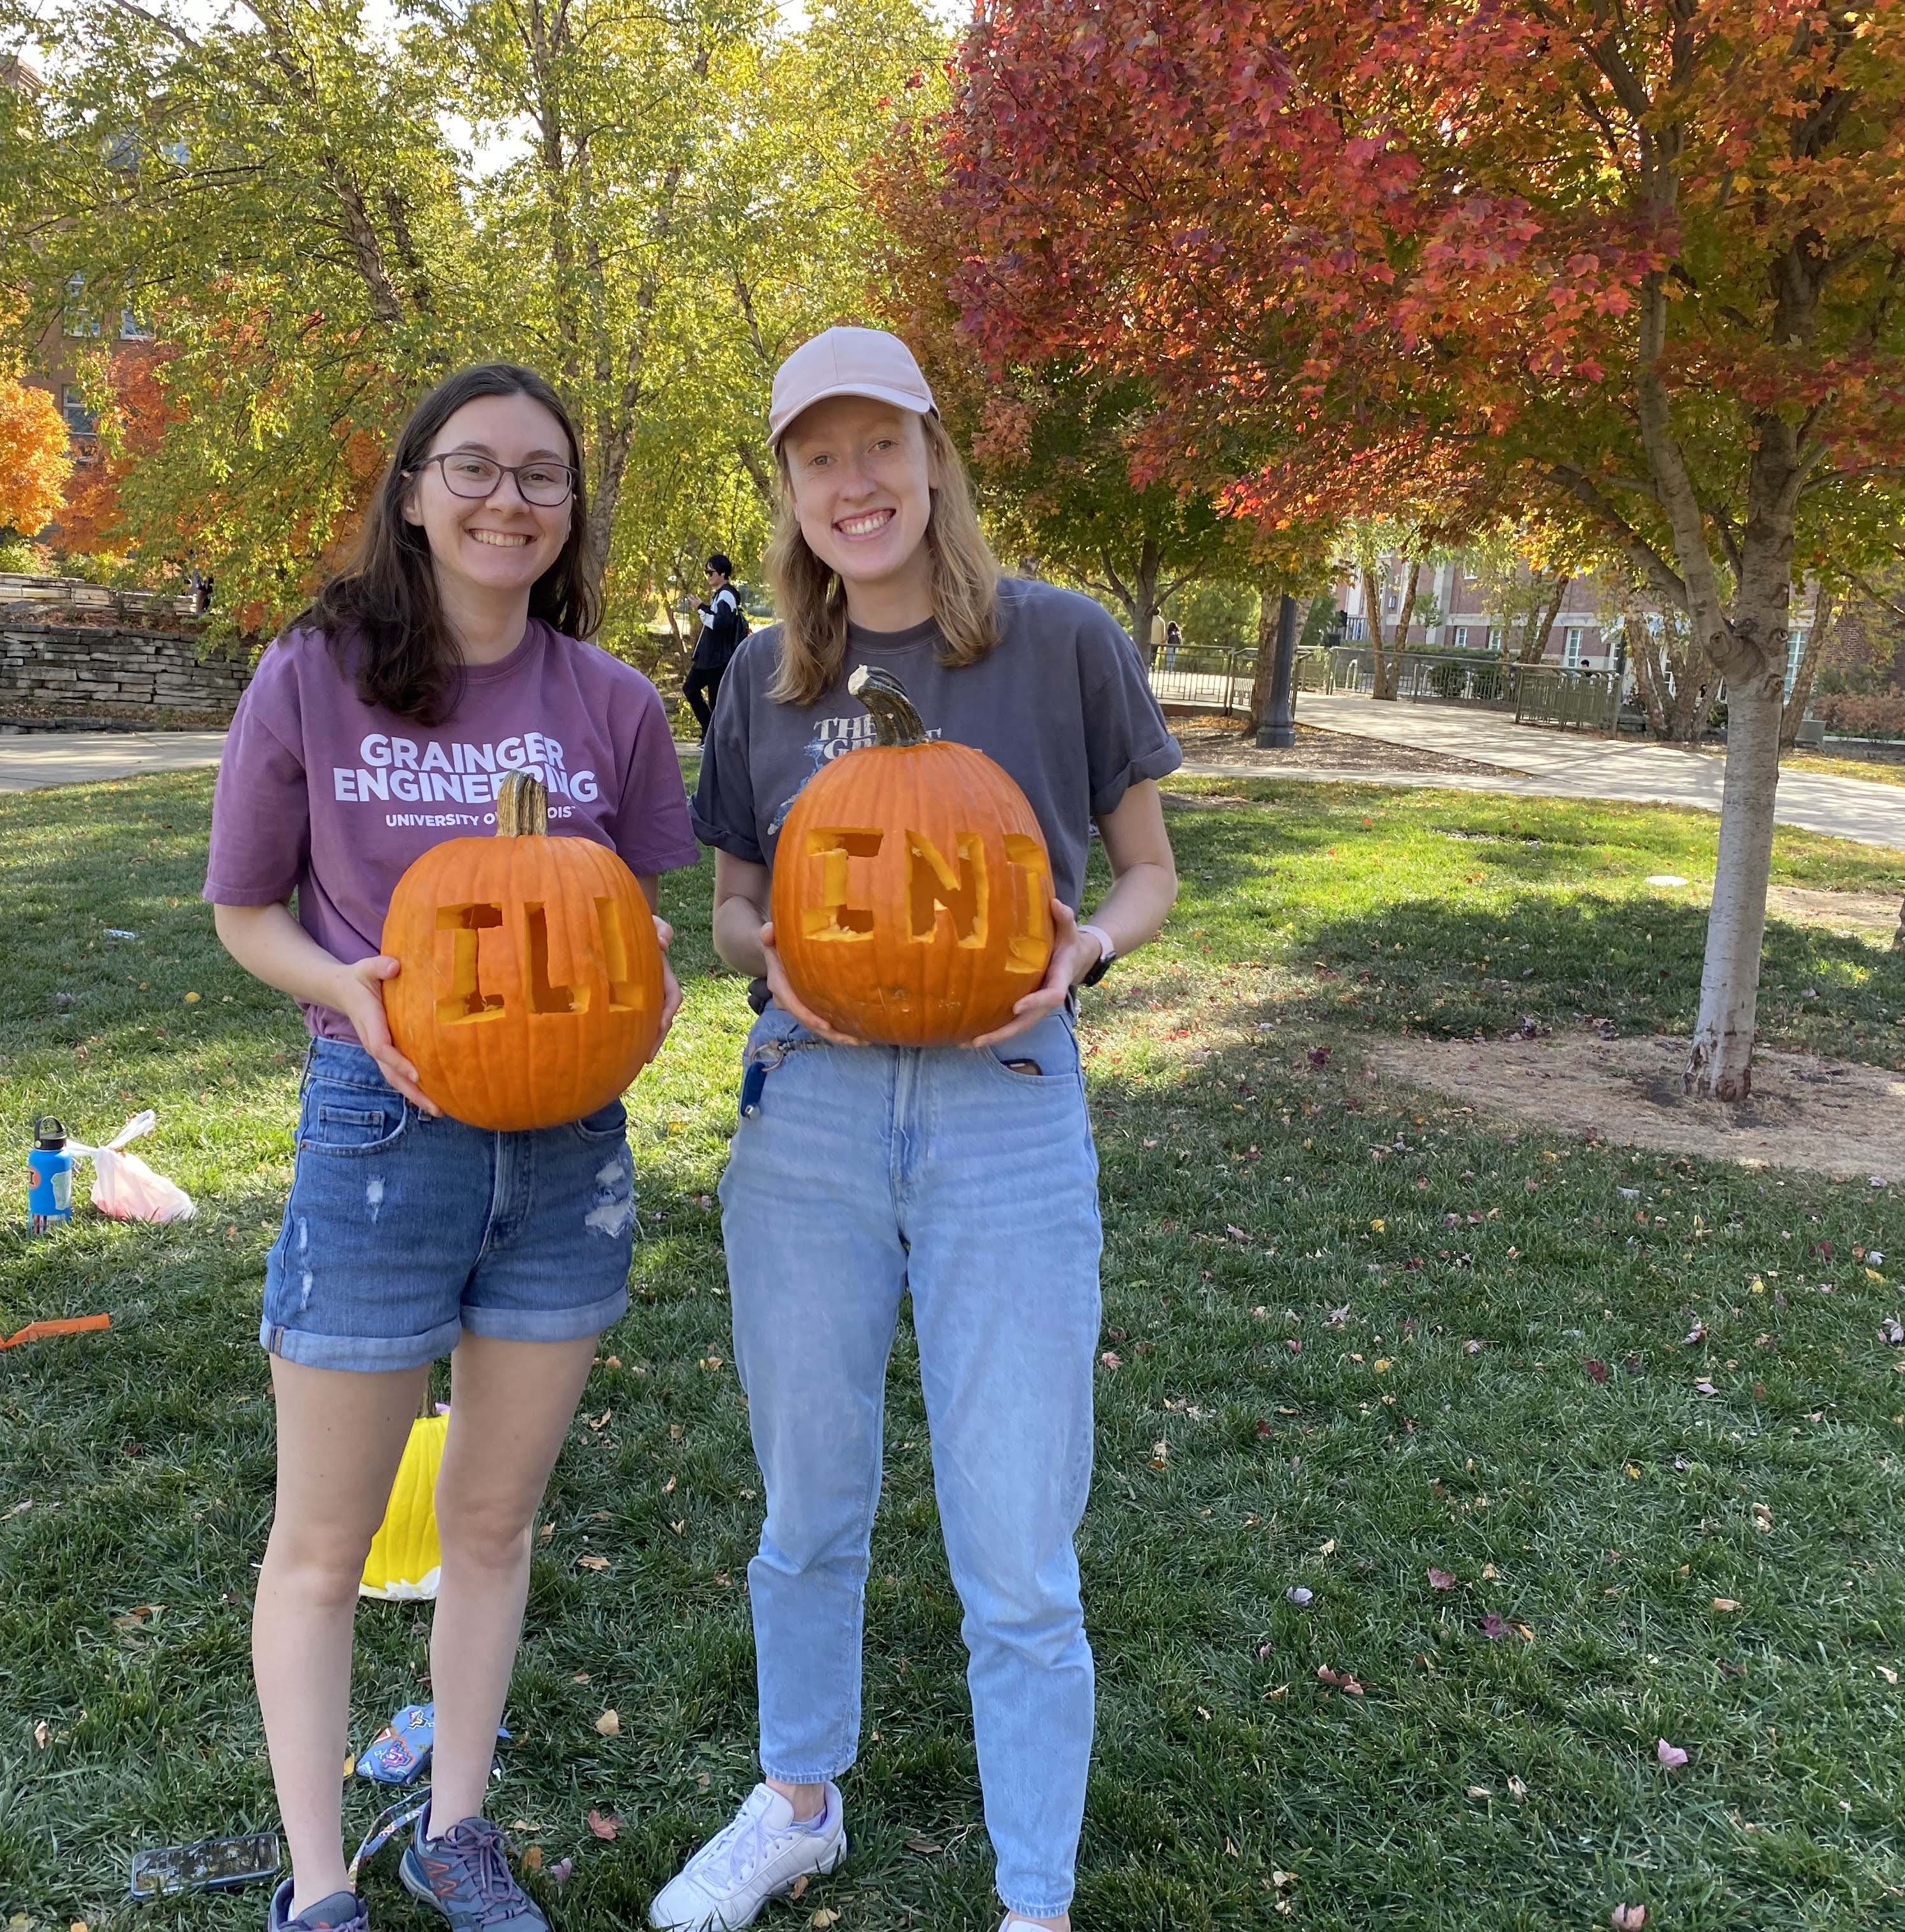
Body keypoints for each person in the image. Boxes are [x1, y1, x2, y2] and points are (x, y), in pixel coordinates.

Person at [651, 327, 1181, 1932]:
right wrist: (780, 965)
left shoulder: (1061, 642)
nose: (854, 484)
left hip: (1006, 1114)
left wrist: (1084, 949)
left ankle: (1036, 1900)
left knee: (1018, 1539)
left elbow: (1148, 870)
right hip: (806, 1116)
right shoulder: (762, 677)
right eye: (819, 459)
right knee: (807, 1504)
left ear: (935, 455)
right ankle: (797, 1801)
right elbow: (739, 909)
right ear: (792, 489)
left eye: (879, 445)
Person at [204, 362, 700, 1932]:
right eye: (473, 468)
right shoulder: (315, 673)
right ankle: (319, 1881)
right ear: (411, 490)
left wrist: (649, 993)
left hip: (568, 1154)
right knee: (325, 1540)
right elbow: (243, 913)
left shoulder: (611, 705)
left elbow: (640, 926)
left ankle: (459, 1827)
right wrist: (340, 985)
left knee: (491, 1522)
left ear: (570, 513)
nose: (507, 500)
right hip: (379, 1131)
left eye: (542, 476)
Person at [682, 553, 749, 733]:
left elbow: (720, 623)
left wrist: (700, 607)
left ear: (722, 574)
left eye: (710, 572)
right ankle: (709, 731)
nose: (708, 576)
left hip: (717, 659)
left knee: (715, 701)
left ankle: (714, 735)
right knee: (691, 689)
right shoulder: (721, 594)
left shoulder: (727, 595)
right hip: (709, 658)